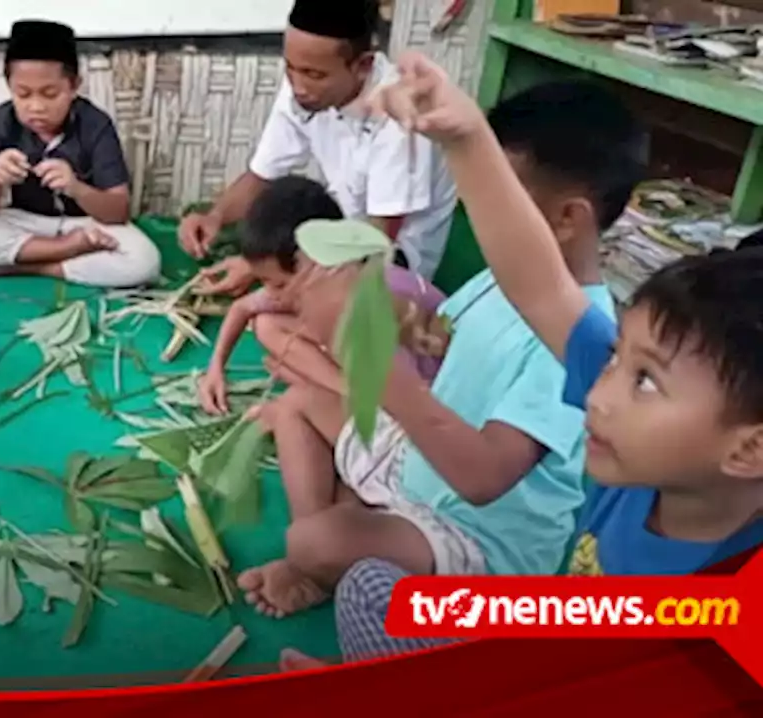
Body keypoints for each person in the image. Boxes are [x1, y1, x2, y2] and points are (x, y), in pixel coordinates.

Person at [289, 53, 763, 668]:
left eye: (644, 381)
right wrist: (464, 136)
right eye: (617, 359)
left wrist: (381, 373)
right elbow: (536, 283)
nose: (595, 393)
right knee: (369, 594)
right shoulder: (641, 461)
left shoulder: (725, 601)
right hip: (558, 617)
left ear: (748, 449)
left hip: (569, 660)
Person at [237, 78, 637, 620]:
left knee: (315, 542)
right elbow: (442, 337)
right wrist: (406, 324)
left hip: (479, 535)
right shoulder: (500, 279)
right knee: (298, 406)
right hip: (419, 463)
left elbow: (482, 480)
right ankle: (330, 549)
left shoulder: (580, 341)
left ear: (567, 219)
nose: (476, 210)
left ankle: (326, 553)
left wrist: (380, 372)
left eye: (498, 195)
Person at [180, 0, 456, 297]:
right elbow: (263, 174)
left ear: (363, 66)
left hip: (391, 256)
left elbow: (376, 239)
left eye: (314, 75)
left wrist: (262, 268)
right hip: (340, 225)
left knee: (300, 312)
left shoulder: (398, 118)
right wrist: (215, 217)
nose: (298, 86)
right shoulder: (302, 89)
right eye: (290, 67)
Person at [0, 20, 161, 288]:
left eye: (50, 94)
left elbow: (118, 211)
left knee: (145, 261)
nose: (36, 107)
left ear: (74, 86)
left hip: (85, 226)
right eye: (23, 94)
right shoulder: (1, 121)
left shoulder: (96, 124)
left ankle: (30, 267)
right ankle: (63, 251)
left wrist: (76, 188)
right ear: (9, 86)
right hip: (24, 225)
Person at [198, 175, 446, 415]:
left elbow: (422, 399)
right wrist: (215, 370)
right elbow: (242, 308)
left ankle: (347, 396)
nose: (275, 295)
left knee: (293, 409)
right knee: (266, 324)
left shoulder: (377, 301)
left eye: (281, 285)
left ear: (316, 266)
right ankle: (346, 391)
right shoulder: (326, 281)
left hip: (424, 392)